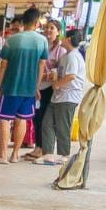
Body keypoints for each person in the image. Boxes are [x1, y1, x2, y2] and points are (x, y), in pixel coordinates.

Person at [0, 9, 48, 163]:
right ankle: (15, 154)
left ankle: (2, 155)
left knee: (4, 119)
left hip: (10, 87)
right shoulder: (42, 41)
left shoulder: (12, 40)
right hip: (29, 89)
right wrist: (36, 86)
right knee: (21, 119)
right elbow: (42, 65)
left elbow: (3, 65)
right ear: (37, 23)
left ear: (23, 22)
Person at [38, 27, 85, 166]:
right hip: (58, 96)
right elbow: (61, 71)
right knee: (47, 123)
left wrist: (57, 84)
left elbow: (71, 76)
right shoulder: (66, 55)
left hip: (68, 96)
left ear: (69, 39)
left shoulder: (73, 56)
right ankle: (47, 154)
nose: (62, 39)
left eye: (64, 37)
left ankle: (64, 155)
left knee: (63, 126)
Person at [26, 18, 62, 160]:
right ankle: (38, 147)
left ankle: (44, 149)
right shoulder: (41, 44)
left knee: (43, 119)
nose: (48, 30)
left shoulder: (61, 50)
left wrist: (50, 75)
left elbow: (61, 70)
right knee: (35, 118)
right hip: (36, 86)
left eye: (52, 28)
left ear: (58, 32)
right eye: (47, 27)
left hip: (48, 88)